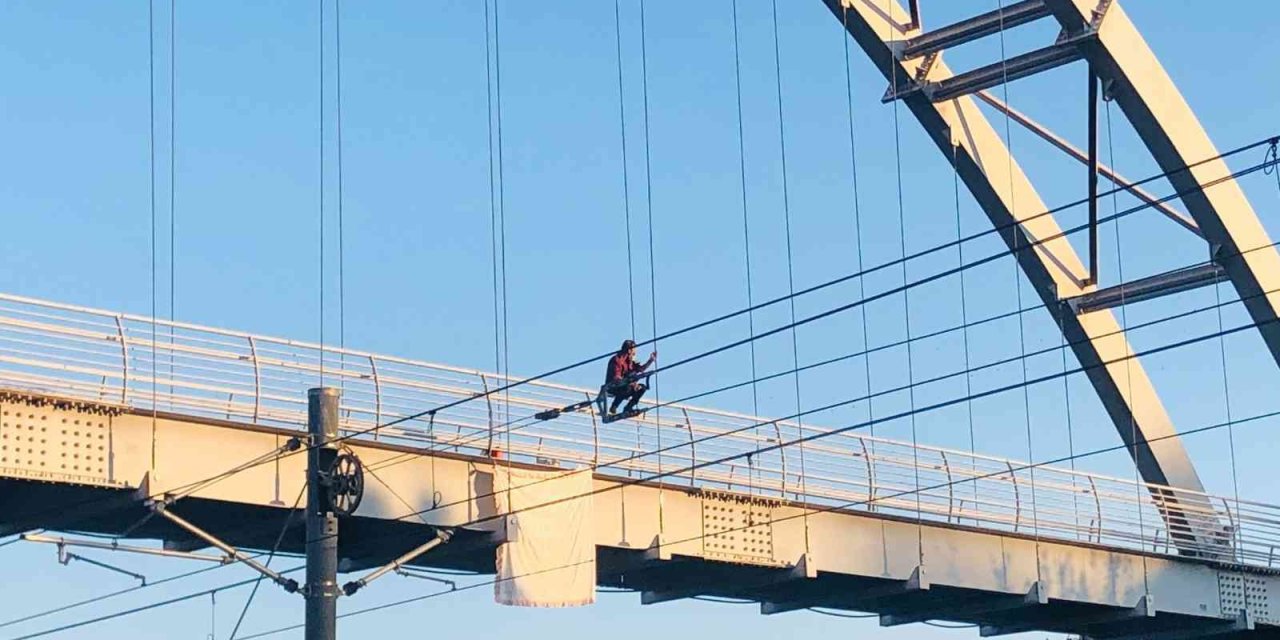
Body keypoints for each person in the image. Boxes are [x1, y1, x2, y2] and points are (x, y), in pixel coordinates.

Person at [604, 339, 656, 416]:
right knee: (628, 388)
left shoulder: (629, 361)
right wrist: (631, 384)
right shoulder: (616, 360)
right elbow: (616, 378)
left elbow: (640, 369)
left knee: (642, 388)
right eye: (634, 349)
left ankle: (628, 408)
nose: (635, 352)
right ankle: (614, 406)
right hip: (612, 386)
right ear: (629, 350)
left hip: (624, 385)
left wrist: (650, 360)